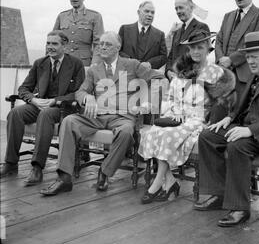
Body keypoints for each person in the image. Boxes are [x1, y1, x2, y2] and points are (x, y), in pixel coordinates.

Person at [195, 31, 259, 227]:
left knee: (238, 145)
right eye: (248, 56)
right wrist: (229, 118)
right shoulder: (257, 74)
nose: (250, 61)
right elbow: (244, 105)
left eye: (255, 56)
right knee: (207, 136)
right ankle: (218, 194)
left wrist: (251, 130)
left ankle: (240, 208)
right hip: (247, 127)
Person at [40, 31, 165, 196]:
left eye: (108, 44)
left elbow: (159, 78)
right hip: (96, 116)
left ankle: (104, 172)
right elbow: (80, 91)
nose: (102, 47)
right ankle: (64, 177)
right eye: (101, 44)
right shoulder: (94, 69)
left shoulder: (132, 65)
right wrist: (88, 97)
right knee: (69, 121)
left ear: (118, 47)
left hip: (123, 117)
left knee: (127, 132)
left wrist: (147, 101)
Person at [138, 30, 236, 204]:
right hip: (178, 117)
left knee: (168, 135)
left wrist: (205, 120)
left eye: (200, 47)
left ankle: (157, 183)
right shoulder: (183, 70)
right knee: (153, 132)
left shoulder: (217, 73)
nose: (196, 52)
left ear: (208, 49)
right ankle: (170, 182)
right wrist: (176, 114)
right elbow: (172, 98)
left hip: (201, 120)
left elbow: (222, 106)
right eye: (192, 48)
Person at [0, 30, 85, 185]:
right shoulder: (40, 63)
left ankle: (37, 167)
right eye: (48, 43)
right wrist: (33, 100)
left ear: (64, 46)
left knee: (45, 115)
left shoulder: (76, 64)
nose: (50, 47)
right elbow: (23, 88)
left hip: (62, 108)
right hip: (39, 104)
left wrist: (55, 100)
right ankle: (11, 163)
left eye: (54, 43)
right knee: (15, 113)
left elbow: (79, 92)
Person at [215, 0, 259, 99]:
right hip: (223, 73)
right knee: (219, 112)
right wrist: (221, 60)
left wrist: (231, 59)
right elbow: (219, 40)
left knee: (238, 114)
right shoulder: (228, 16)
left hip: (244, 75)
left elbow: (254, 44)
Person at [53, 0, 104, 66]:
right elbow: (52, 40)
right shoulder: (62, 16)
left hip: (84, 64)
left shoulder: (95, 16)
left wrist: (95, 64)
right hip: (63, 63)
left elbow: (98, 44)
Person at [165, 0, 210, 81]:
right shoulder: (177, 31)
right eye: (176, 8)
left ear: (191, 7)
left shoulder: (201, 27)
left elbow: (200, 57)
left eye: (181, 7)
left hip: (191, 81)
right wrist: (168, 71)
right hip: (174, 82)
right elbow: (171, 56)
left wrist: (182, 75)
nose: (178, 11)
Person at [118, 1, 167, 70]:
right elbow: (117, 50)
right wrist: (130, 61)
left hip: (148, 75)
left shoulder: (160, 34)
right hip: (124, 73)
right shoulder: (124, 29)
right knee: (121, 81)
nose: (150, 15)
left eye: (152, 12)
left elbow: (163, 57)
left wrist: (149, 64)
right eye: (147, 11)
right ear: (138, 12)